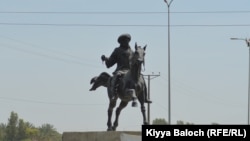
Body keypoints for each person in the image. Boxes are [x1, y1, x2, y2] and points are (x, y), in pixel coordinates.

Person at [101, 33, 152, 103]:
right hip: (121, 70)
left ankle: (145, 97)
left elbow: (136, 62)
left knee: (141, 77)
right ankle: (113, 94)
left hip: (130, 71)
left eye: (128, 40)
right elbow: (110, 63)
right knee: (117, 76)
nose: (127, 42)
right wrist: (106, 59)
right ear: (121, 42)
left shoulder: (133, 52)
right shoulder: (117, 50)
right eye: (125, 41)